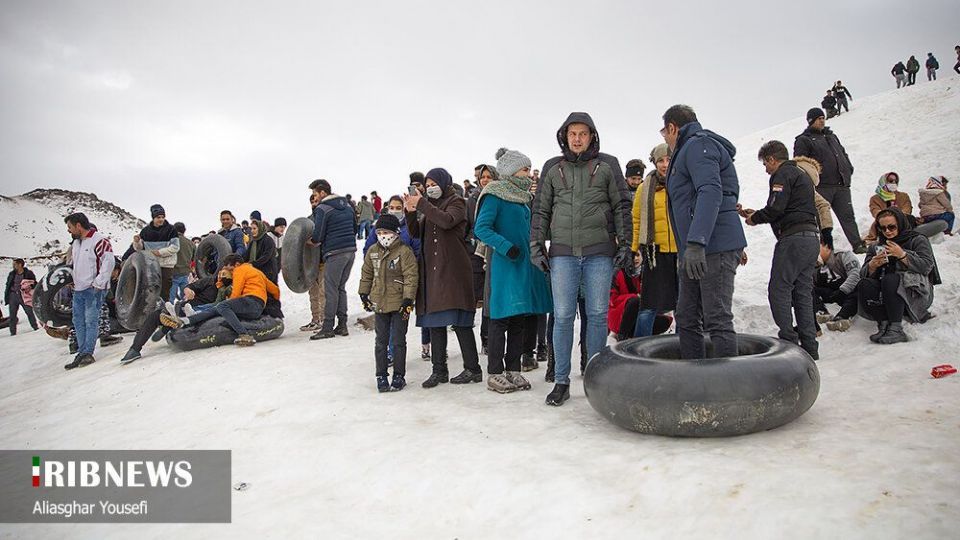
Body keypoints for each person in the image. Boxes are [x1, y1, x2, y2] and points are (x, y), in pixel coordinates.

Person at [530, 111, 632, 406]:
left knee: (598, 315)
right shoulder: (552, 167)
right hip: (562, 253)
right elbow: (540, 210)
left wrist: (625, 244)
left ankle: (595, 377)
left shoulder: (607, 165)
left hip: (599, 252)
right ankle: (561, 381)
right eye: (572, 134)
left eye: (583, 134)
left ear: (592, 136)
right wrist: (537, 245)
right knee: (562, 316)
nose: (577, 139)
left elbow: (622, 205)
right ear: (565, 136)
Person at [660, 104, 747, 360]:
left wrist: (697, 242)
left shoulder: (698, 146)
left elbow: (710, 191)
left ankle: (726, 389)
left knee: (717, 317)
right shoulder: (691, 148)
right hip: (694, 250)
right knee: (686, 316)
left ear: (673, 127)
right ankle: (695, 378)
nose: (664, 138)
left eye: (664, 132)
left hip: (713, 247)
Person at [474, 148, 553, 394]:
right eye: (525, 169)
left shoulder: (524, 198)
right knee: (500, 319)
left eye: (530, 169)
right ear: (511, 170)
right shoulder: (494, 195)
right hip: (506, 265)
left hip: (524, 266)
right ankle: (495, 372)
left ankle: (513, 369)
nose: (529, 174)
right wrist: (506, 248)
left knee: (519, 318)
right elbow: (481, 228)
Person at [404, 167, 483, 388]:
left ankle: (473, 368)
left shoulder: (457, 202)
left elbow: (447, 221)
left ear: (444, 182)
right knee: (434, 322)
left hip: (454, 270)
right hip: (433, 271)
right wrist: (411, 211)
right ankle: (439, 371)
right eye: (427, 185)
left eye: (433, 184)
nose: (430, 188)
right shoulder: (430, 206)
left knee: (460, 322)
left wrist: (421, 204)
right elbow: (415, 233)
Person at [741, 140, 820, 360]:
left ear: (772, 159)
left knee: (779, 289)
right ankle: (810, 346)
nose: (766, 170)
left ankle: (787, 341)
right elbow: (789, 207)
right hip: (811, 237)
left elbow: (776, 207)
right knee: (802, 292)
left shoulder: (783, 174)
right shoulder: (801, 175)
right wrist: (754, 213)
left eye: (766, 164)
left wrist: (755, 218)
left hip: (793, 239)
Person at [858, 208, 940, 344]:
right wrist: (872, 265)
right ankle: (884, 324)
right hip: (886, 296)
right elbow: (863, 274)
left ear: (900, 224)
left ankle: (896, 329)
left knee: (891, 279)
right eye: (883, 228)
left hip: (914, 292)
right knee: (864, 284)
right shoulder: (876, 246)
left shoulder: (917, 240)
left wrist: (902, 255)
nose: (887, 231)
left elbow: (926, 266)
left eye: (891, 227)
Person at [161, 254, 279, 346]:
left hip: (251, 301)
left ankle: (244, 334)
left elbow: (236, 293)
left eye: (230, 268)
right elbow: (274, 290)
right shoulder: (258, 273)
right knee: (216, 308)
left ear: (237, 264)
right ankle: (185, 321)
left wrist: (228, 304)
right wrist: (274, 304)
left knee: (222, 306)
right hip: (256, 306)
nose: (230, 272)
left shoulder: (240, 270)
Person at [358, 214, 418, 392]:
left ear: (395, 233)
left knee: (399, 341)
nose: (383, 235)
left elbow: (411, 277)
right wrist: (364, 293)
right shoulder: (373, 252)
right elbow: (367, 273)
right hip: (380, 303)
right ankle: (381, 375)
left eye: (386, 232)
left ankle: (399, 375)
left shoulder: (404, 252)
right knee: (380, 342)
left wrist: (408, 299)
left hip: (400, 304)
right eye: (379, 232)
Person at [794, 108, 866, 253]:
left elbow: (843, 153)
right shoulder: (804, 140)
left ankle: (858, 245)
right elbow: (800, 163)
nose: (822, 120)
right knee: (823, 220)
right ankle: (827, 250)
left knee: (848, 217)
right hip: (822, 187)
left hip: (841, 185)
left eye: (823, 118)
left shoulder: (831, 136)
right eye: (818, 118)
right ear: (810, 121)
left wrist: (848, 168)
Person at [631, 143, 679, 337]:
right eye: (661, 160)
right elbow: (636, 219)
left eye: (669, 159)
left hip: (681, 252)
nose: (665, 164)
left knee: (683, 303)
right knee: (649, 304)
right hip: (655, 253)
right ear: (655, 162)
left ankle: (686, 347)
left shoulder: (684, 182)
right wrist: (634, 248)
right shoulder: (645, 187)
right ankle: (640, 348)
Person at [119, 274, 221, 363]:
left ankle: (165, 327)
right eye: (222, 271)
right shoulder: (209, 281)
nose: (223, 274)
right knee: (156, 315)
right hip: (185, 306)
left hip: (197, 313)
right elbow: (190, 286)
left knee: (181, 314)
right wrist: (188, 290)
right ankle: (135, 349)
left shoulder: (228, 288)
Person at [306, 179, 358, 340]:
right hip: (350, 250)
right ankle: (342, 325)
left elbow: (318, 235)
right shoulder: (348, 205)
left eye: (315, 193)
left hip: (335, 253)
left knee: (330, 290)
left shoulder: (323, 208)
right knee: (340, 288)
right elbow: (355, 228)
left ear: (322, 192)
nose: (314, 197)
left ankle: (327, 327)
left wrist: (311, 242)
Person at [64, 212, 116, 369]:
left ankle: (88, 353)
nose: (69, 231)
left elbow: (108, 262)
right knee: (77, 321)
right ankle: (81, 351)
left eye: (70, 227)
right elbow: (74, 264)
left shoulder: (99, 241)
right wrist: (72, 280)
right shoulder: (76, 244)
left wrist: (98, 283)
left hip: (93, 289)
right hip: (78, 289)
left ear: (78, 226)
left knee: (91, 320)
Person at [466, 164, 497, 356]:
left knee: (491, 298)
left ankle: (489, 337)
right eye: (482, 177)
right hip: (476, 253)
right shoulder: (474, 198)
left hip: (495, 251)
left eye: (488, 177)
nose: (484, 180)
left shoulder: (500, 197)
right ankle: (479, 339)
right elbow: (470, 225)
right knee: (478, 297)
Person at [134, 204, 180, 302]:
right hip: (151, 264)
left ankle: (164, 310)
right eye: (158, 217)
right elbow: (139, 249)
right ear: (153, 218)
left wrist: (160, 252)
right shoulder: (145, 231)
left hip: (167, 265)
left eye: (163, 217)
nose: (161, 219)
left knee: (165, 289)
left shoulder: (171, 230)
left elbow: (175, 247)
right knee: (150, 288)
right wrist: (137, 242)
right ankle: (150, 310)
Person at [813, 239, 861, 332]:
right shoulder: (813, 264)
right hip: (829, 292)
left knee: (859, 290)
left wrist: (843, 291)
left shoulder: (843, 255)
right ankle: (821, 312)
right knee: (809, 290)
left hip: (847, 291)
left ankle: (842, 317)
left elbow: (855, 274)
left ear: (826, 246)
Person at [300, 193, 327, 333]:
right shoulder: (308, 220)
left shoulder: (326, 217)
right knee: (313, 293)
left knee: (323, 292)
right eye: (312, 201)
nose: (314, 204)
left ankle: (324, 320)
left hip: (324, 260)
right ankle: (315, 319)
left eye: (316, 201)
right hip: (311, 263)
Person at [865, 172, 915, 242]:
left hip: (902, 219)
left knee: (910, 219)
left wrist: (897, 216)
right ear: (884, 182)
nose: (894, 183)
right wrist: (887, 216)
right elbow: (875, 211)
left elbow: (907, 208)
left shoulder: (903, 196)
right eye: (891, 181)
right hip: (884, 221)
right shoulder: (875, 198)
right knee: (879, 222)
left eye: (896, 181)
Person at [5, 258, 38, 335]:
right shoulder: (12, 274)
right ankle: (13, 332)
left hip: (24, 295)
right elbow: (8, 285)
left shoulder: (28, 273)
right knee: (12, 314)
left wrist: (30, 286)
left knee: (29, 312)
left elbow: (34, 283)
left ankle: (35, 327)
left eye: (15, 264)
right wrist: (8, 296)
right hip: (13, 295)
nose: (13, 266)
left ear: (20, 265)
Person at [244, 219, 278, 284]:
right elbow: (246, 255)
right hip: (256, 272)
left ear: (260, 228)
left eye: (254, 228)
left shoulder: (268, 240)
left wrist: (253, 264)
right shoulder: (253, 242)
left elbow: (266, 256)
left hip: (268, 273)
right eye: (251, 229)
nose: (252, 231)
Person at [170, 222, 195, 302]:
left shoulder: (170, 241)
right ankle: (183, 310)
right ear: (184, 231)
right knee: (185, 296)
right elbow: (194, 259)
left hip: (172, 272)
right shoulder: (190, 243)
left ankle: (167, 311)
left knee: (170, 297)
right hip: (185, 273)